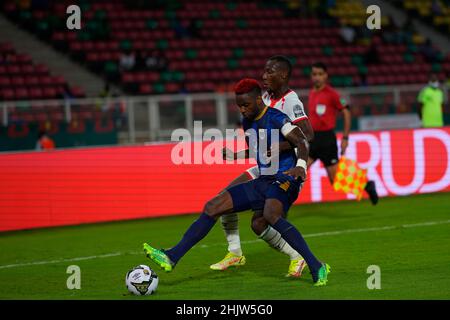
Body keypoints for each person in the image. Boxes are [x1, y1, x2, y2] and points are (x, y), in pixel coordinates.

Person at [143, 78, 331, 286]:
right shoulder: (248, 122)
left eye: (246, 105)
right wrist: (236, 156)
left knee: (270, 214)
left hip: (286, 178)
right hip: (264, 180)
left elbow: (302, 140)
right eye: (239, 105)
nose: (242, 109)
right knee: (213, 206)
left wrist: (301, 167)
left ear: (259, 100)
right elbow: (259, 150)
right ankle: (171, 256)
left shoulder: (278, 118)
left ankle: (316, 265)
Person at [211, 56, 314, 277]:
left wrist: (282, 147)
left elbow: (307, 135)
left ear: (283, 75)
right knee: (223, 198)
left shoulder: (291, 101)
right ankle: (235, 252)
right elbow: (261, 144)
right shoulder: (264, 98)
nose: (264, 76)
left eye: (270, 72)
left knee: (260, 223)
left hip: (284, 169)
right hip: (263, 167)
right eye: (264, 72)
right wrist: (237, 154)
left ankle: (298, 258)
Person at [307, 62, 378, 203]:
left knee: (335, 180)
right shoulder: (312, 92)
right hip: (313, 139)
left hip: (326, 139)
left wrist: (345, 137)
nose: (317, 77)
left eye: (320, 74)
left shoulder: (332, 94)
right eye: (314, 74)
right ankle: (281, 208)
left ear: (326, 76)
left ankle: (367, 185)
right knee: (299, 171)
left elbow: (346, 112)